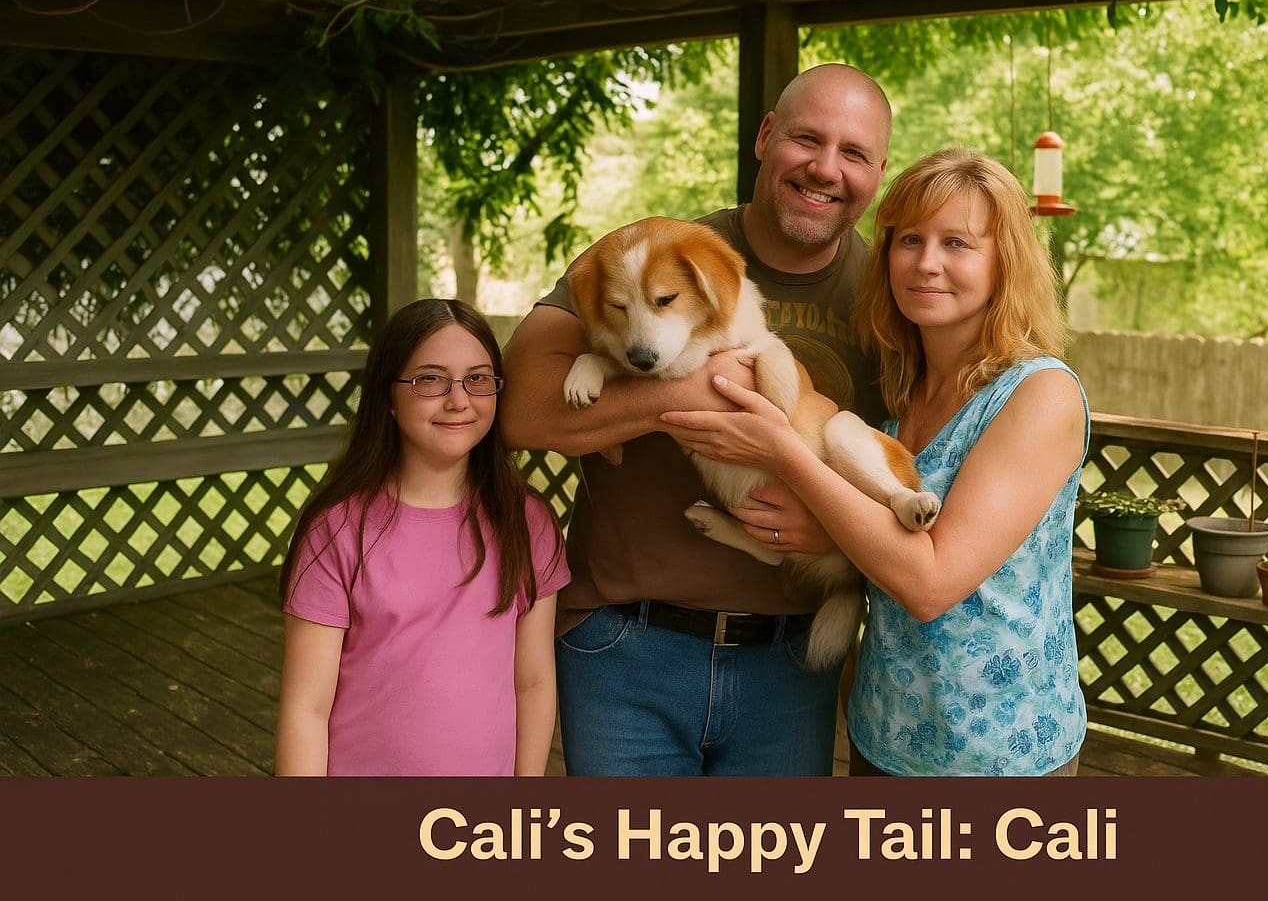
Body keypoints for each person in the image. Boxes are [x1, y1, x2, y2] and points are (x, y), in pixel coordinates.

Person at [499, 63, 892, 775]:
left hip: (790, 658)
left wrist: (834, 519)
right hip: (627, 646)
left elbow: (924, 462)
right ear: (766, 136)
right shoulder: (653, 252)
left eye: (854, 152)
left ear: (878, 170)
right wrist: (701, 391)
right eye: (807, 138)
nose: (825, 167)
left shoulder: (893, 295)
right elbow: (524, 411)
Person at [662, 147, 1090, 775]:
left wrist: (782, 449)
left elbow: (929, 584)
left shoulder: (1038, 394)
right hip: (883, 735)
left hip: (1002, 756)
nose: (926, 263)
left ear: (1006, 264)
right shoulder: (899, 393)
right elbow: (870, 541)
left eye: (958, 244)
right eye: (909, 239)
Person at [275, 299, 569, 776]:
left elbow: (532, 682)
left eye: (477, 379)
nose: (458, 400)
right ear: (389, 397)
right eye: (430, 379)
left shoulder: (527, 521)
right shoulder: (338, 529)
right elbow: (306, 708)